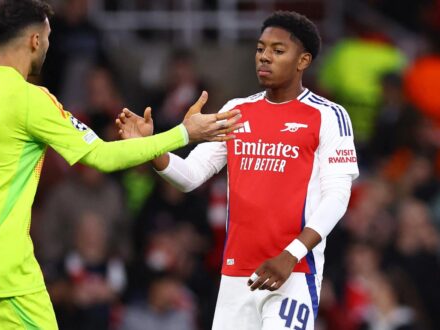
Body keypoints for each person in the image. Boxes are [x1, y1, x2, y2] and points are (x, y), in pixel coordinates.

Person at [0, 0, 241, 329]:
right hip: (2, 278)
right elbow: (102, 157)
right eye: (47, 37)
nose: (49, 45)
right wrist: (183, 133)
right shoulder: (31, 100)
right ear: (35, 40)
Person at [117, 11, 359, 330]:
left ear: (303, 61)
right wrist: (150, 147)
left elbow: (338, 198)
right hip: (235, 276)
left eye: (277, 50)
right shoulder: (236, 110)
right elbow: (190, 175)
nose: (264, 57)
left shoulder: (328, 116)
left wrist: (292, 254)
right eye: (260, 49)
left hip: (293, 273)